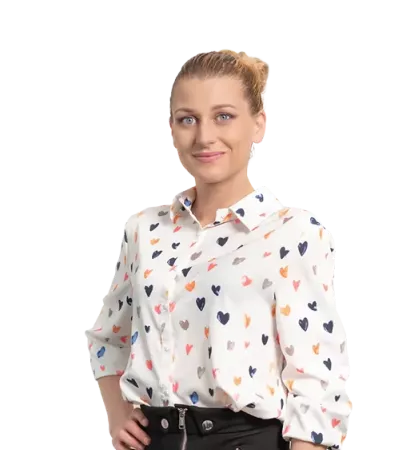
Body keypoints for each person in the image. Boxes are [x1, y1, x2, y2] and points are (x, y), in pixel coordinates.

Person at [85, 48, 351, 450]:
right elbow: (108, 337)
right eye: (187, 119)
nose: (204, 136)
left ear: (258, 124)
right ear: (171, 129)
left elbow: (318, 379)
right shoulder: (144, 231)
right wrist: (118, 415)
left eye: (223, 116)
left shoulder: (292, 234)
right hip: (155, 440)